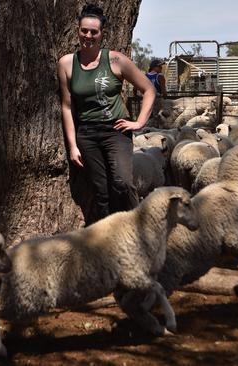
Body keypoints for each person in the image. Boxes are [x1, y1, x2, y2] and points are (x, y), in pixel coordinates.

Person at [57, 3, 156, 223]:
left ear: (102, 34)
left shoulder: (115, 60)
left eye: (94, 31)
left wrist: (139, 122)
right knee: (100, 191)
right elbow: (67, 106)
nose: (88, 36)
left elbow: (149, 89)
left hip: (115, 131)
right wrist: (72, 145)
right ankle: (106, 238)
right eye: (84, 30)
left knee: (122, 183)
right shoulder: (66, 63)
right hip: (87, 134)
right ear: (78, 31)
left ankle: (136, 227)